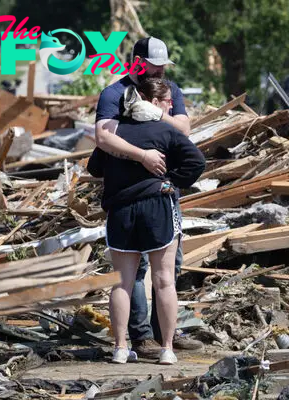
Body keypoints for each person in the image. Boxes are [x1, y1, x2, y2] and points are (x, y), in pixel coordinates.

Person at [94, 36, 200, 358]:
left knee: (169, 269)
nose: (158, 74)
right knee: (135, 274)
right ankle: (140, 336)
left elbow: (183, 129)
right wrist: (142, 155)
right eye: (153, 68)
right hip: (129, 192)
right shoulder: (114, 93)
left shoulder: (169, 90)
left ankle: (163, 332)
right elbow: (103, 137)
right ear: (137, 63)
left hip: (163, 194)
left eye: (162, 69)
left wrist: (154, 113)